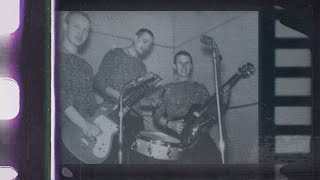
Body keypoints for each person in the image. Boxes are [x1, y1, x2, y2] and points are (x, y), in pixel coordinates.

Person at [153, 50, 231, 164]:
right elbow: (156, 115)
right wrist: (170, 124)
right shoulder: (166, 89)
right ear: (174, 66)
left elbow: (213, 113)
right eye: (180, 63)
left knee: (217, 161)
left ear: (191, 67)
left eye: (187, 63)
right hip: (176, 137)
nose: (184, 66)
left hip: (200, 136)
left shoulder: (200, 88)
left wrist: (224, 99)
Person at [93, 28, 155, 163]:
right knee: (111, 160)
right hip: (111, 114)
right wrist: (119, 96)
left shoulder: (142, 67)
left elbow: (138, 98)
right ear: (135, 37)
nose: (146, 47)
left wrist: (150, 103)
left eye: (149, 45)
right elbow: (98, 82)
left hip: (132, 119)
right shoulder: (114, 54)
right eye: (144, 41)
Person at [59, 11, 100, 166]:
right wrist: (85, 125)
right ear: (65, 25)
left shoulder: (87, 66)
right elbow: (62, 98)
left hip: (84, 136)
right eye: (77, 27)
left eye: (85, 30)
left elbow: (91, 103)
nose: (81, 33)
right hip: (63, 133)